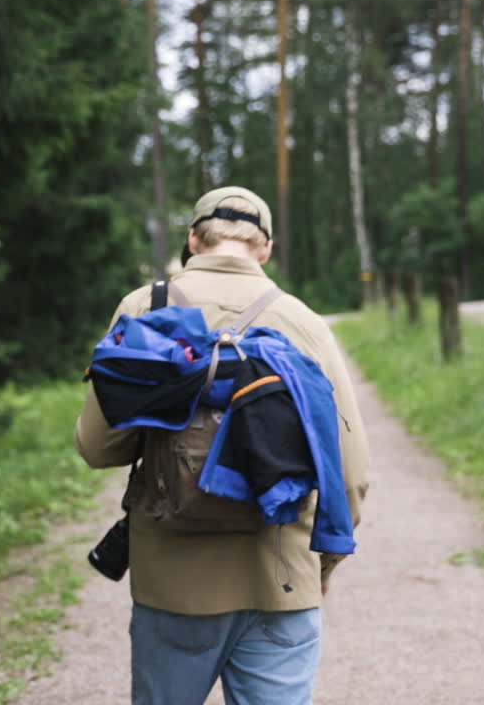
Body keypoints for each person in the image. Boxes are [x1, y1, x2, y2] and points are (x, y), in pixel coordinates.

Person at [74, 186, 370, 705]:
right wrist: (318, 568)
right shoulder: (302, 322)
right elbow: (350, 474)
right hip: (280, 580)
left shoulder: (145, 307)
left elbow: (99, 447)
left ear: (194, 240)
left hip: (173, 585)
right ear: (265, 249)